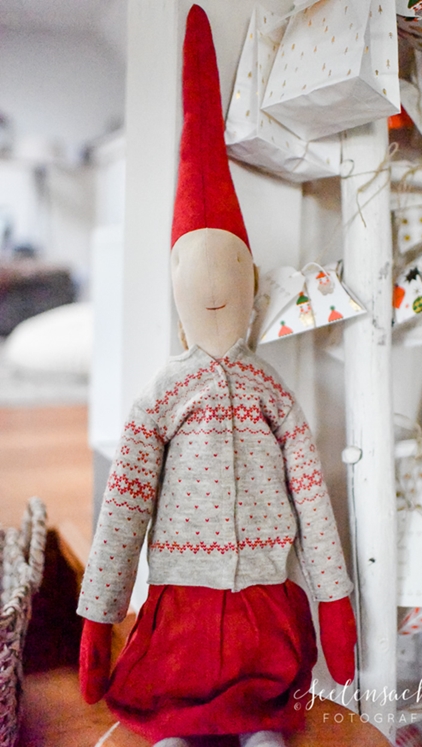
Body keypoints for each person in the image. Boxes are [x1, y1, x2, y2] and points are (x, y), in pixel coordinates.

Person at [77, 8, 356, 746]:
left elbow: (312, 498)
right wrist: (98, 616)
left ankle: (256, 729)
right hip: (182, 607)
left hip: (267, 602)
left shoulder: (274, 396)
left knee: (266, 723)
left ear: (250, 282)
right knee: (176, 723)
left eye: (227, 269)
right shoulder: (161, 398)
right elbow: (123, 509)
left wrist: (333, 601)